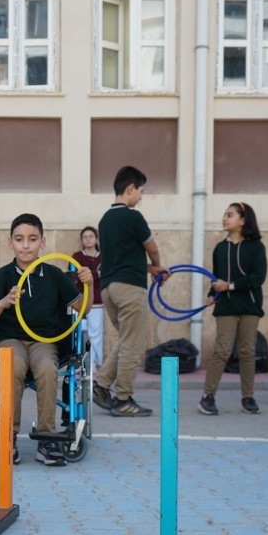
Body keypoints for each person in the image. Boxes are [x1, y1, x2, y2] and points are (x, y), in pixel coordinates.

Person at [0, 213, 93, 466]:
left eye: (32, 239)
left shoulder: (54, 275)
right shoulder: (2, 277)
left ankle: (46, 437)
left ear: (42, 242)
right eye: (19, 239)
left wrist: (90, 283)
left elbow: (83, 309)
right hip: (8, 339)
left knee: (46, 367)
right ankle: (8, 436)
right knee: (14, 364)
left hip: (45, 340)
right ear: (10, 242)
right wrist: (3, 302)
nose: (25, 245)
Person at [92, 166, 165, 417]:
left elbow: (121, 259)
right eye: (141, 191)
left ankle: (101, 386)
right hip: (130, 289)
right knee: (133, 345)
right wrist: (156, 266)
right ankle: (123, 398)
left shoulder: (104, 220)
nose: (141, 197)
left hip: (109, 289)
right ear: (131, 188)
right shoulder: (133, 217)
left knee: (125, 340)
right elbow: (152, 248)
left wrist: (148, 269)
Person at [198, 202, 267, 416]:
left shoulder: (256, 247)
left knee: (247, 352)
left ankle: (248, 397)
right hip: (226, 305)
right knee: (222, 350)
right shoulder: (221, 248)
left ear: (243, 220)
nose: (224, 218)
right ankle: (207, 397)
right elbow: (215, 277)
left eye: (230, 215)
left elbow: (258, 278)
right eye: (224, 214)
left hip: (250, 305)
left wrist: (230, 286)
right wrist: (212, 295)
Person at [72, 226, 104, 369]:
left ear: (96, 238)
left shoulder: (103, 256)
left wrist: (90, 275)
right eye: (85, 237)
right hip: (79, 300)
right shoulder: (77, 256)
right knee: (80, 333)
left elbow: (106, 273)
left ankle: (95, 365)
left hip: (97, 301)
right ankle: (82, 365)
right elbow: (77, 276)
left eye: (91, 236)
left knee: (96, 334)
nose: (88, 239)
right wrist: (96, 274)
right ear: (82, 240)